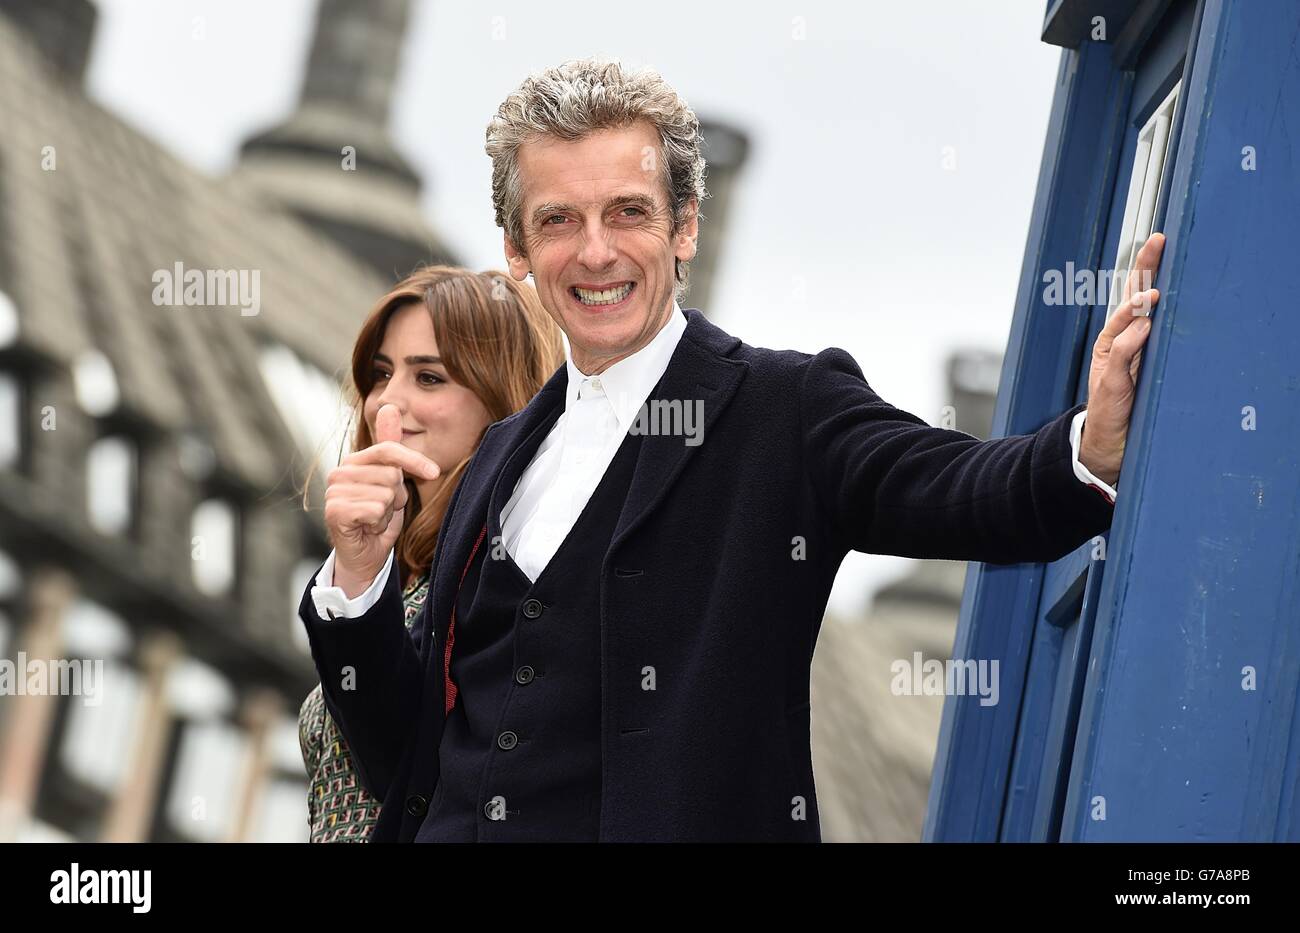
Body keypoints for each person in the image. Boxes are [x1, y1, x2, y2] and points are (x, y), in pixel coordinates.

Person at [299, 59, 1165, 842]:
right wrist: (358, 583)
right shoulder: (497, 456)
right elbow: (401, 761)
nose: (595, 250)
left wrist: (1088, 443)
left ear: (685, 229)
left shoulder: (783, 407)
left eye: (628, 212)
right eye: (558, 219)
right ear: (518, 252)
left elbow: (956, 485)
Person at [297, 266, 563, 842]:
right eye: (381, 374)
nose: (386, 403)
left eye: (430, 378)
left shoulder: (522, 578)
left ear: (503, 401)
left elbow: (409, 764)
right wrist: (362, 570)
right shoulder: (405, 574)